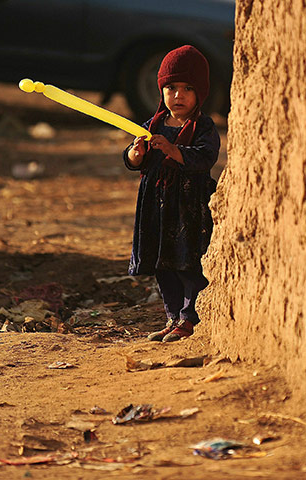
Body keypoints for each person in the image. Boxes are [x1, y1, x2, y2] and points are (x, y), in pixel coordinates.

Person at [123, 45, 219, 342]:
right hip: (156, 206)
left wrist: (175, 150)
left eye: (188, 88)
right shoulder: (152, 126)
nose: (178, 96)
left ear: (200, 92)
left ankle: (190, 317)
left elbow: (205, 158)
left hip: (188, 206)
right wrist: (136, 153)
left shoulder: (203, 127)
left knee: (187, 261)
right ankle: (173, 316)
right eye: (171, 87)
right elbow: (129, 161)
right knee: (161, 262)